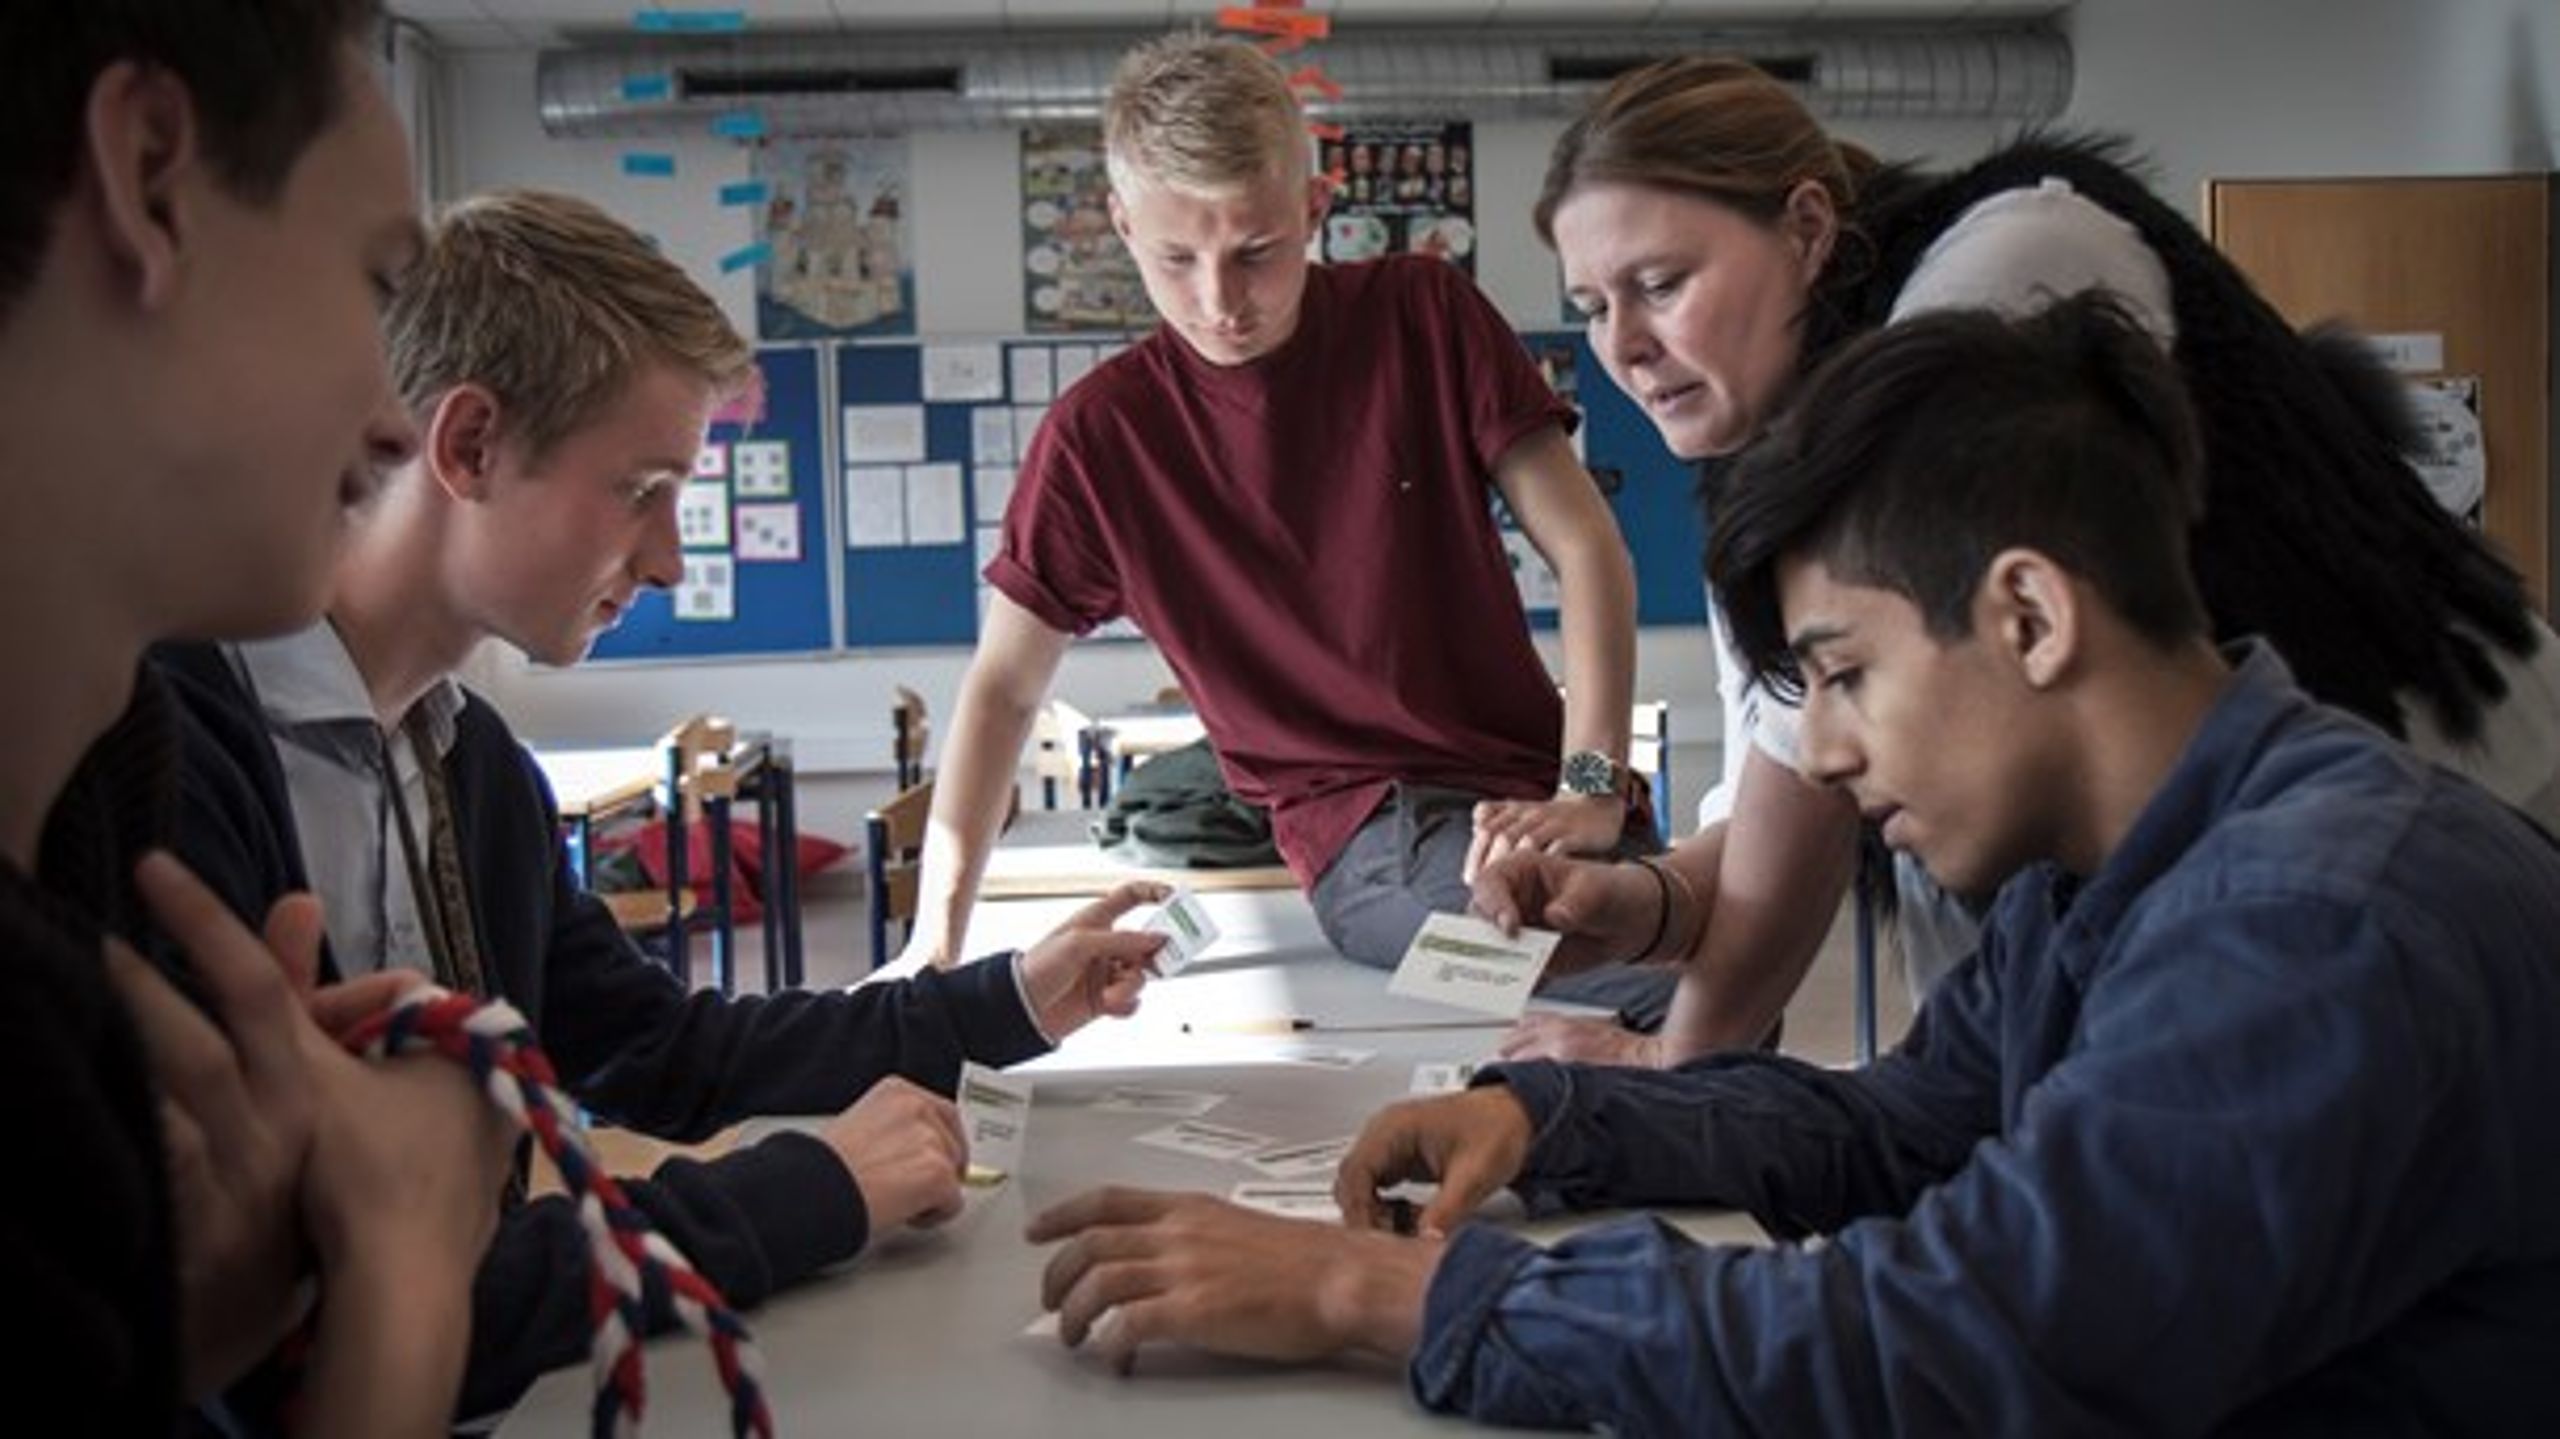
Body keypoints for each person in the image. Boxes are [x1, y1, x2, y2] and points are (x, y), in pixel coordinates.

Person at [1025, 297, 2560, 1434]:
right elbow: (1899, 1125)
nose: (1818, 752)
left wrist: (1378, 1290)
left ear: (2029, 616)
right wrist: (1553, 1113)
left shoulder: (2312, 922)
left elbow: (1955, 1347)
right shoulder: (2107, 868)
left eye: (1844, 672)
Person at [156, 187, 1173, 1420]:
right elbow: (315, 1314)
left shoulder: (473, 767)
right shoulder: (168, 763)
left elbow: (667, 1050)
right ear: (469, 446)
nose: (670, 558)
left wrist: (1008, 996)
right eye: (640, 488)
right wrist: (808, 1190)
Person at [1488, 55, 2560, 1066]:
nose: (1620, 347)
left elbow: (1792, 785)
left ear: (1809, 228)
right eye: (1592, 310)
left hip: (2431, 829)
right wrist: (1651, 907)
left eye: (1660, 283)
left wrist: (1670, 1049)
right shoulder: (1762, 451)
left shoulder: (2000, 276)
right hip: (2197, 935)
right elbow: (1796, 773)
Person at [905, 33, 1660, 1013]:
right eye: (1177, 259)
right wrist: (935, 943)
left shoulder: (1423, 314)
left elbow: (1587, 546)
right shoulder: (1099, 439)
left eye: (1256, 253)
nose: (1219, 302)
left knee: (1715, 963)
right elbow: (1004, 686)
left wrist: (1590, 784)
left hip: (1536, 793)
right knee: (1639, 976)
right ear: (1122, 226)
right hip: (1371, 847)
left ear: (1314, 206)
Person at [0, 1, 510, 1432]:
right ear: (150, 176)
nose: (393, 421)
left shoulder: (96, 801)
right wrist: (404, 1264)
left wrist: (192, 1325)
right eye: (371, 281)